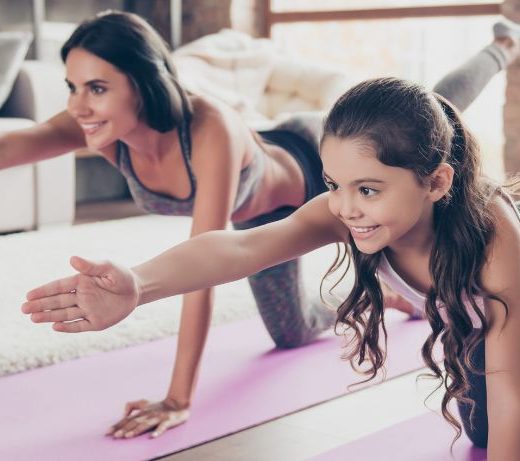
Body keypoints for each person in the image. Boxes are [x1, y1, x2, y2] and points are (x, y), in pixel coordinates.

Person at [6, 9, 520, 440]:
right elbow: (241, 248)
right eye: (334, 184)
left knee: (438, 107)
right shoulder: (348, 206)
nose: (344, 207)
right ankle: (397, 285)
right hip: (330, 194)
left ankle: (499, 48)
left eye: (366, 191)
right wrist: (138, 284)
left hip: (299, 170)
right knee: (300, 332)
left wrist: (178, 396)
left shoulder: (491, 238)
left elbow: (509, 386)